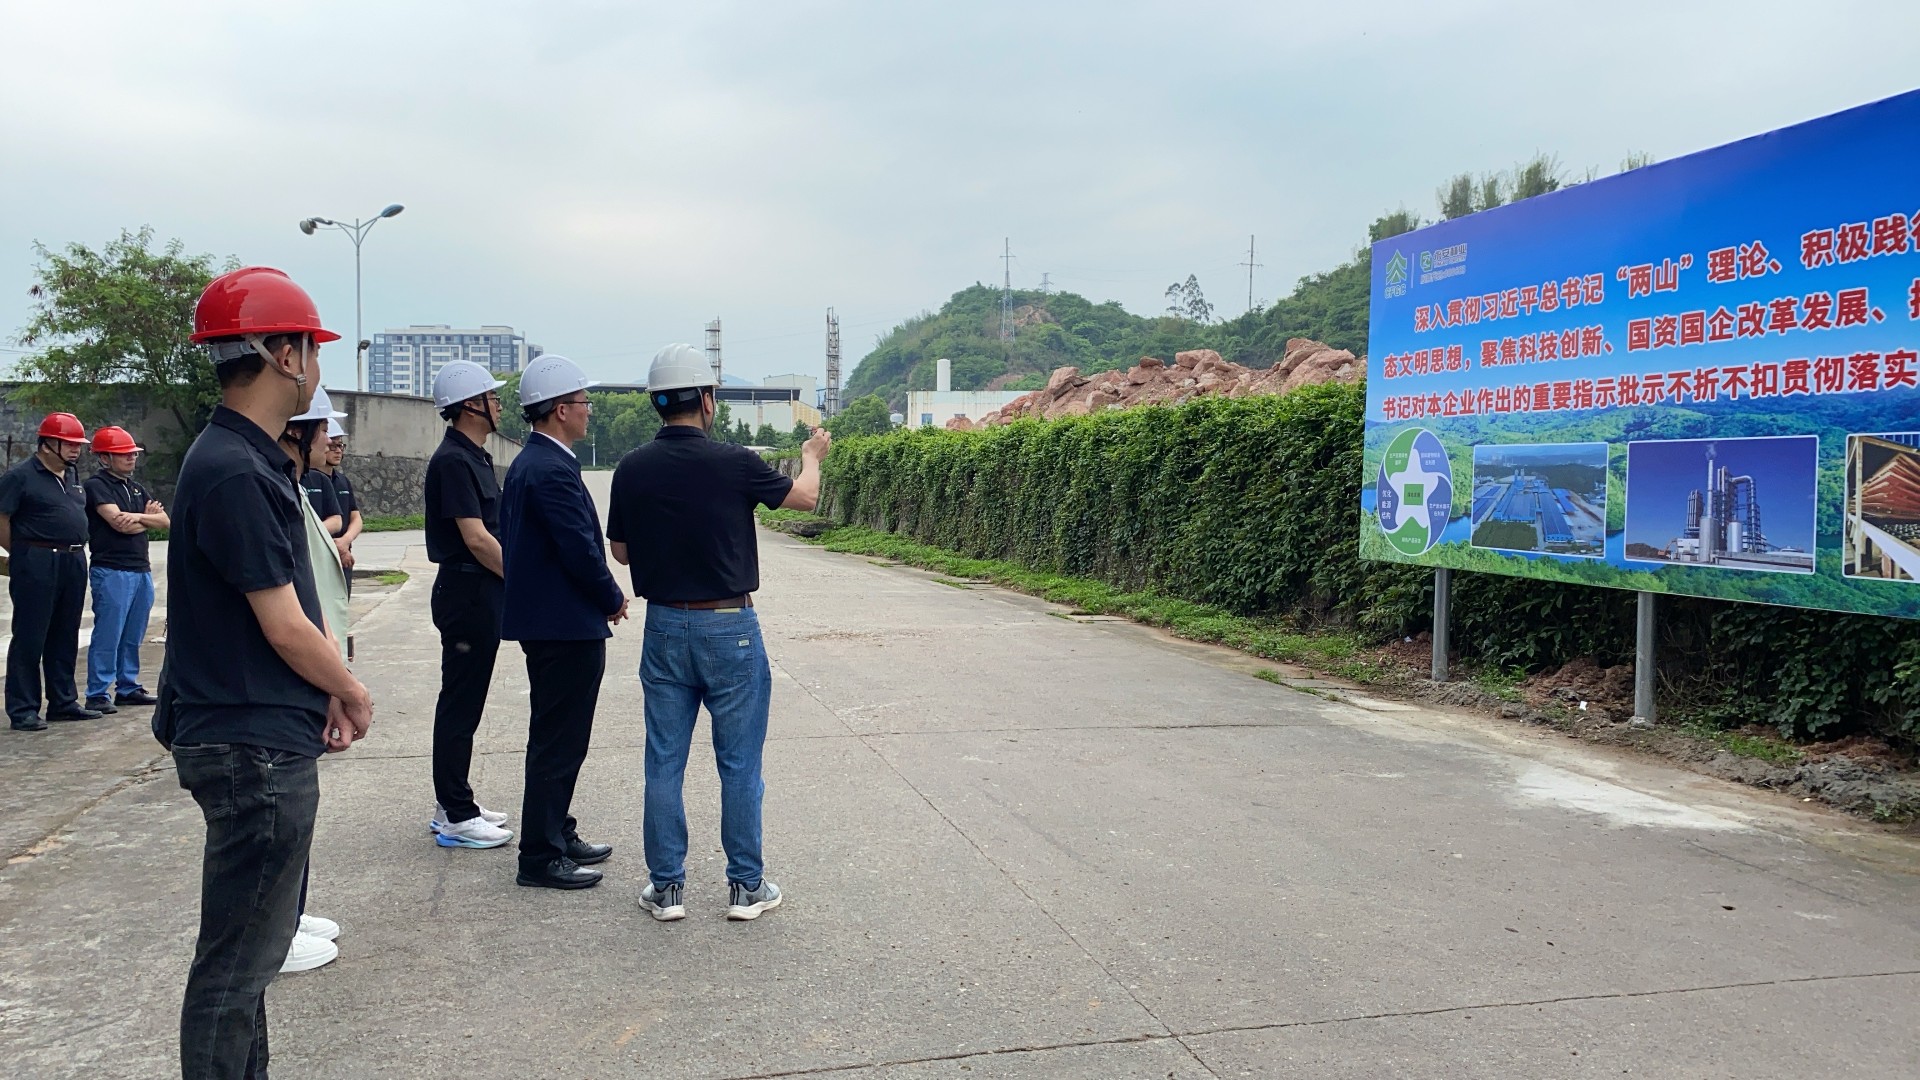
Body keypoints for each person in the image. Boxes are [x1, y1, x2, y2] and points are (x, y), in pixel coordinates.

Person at [167, 266, 373, 1078]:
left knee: (247, 962)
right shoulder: (237, 470)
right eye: (312, 351)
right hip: (249, 749)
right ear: (284, 355)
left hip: (252, 732)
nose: (316, 368)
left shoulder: (234, 458)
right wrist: (349, 689)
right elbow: (284, 624)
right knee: (235, 969)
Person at [606, 344, 831, 922]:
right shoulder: (734, 461)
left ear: (657, 403)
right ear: (707, 400)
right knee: (739, 763)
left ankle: (666, 888)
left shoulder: (631, 468)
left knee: (664, 761)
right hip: (730, 626)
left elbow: (622, 553)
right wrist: (811, 456)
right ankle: (746, 887)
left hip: (664, 625)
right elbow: (805, 497)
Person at [500, 354, 626, 890]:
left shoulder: (538, 462)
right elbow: (577, 547)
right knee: (559, 740)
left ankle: (556, 829)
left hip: (553, 621)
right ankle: (540, 854)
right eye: (582, 402)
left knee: (560, 737)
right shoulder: (549, 468)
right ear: (559, 410)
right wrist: (610, 595)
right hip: (563, 624)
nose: (588, 410)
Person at [277, 386, 353, 976]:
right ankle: (276, 930)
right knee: (276, 817)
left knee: (295, 813)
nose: (332, 439)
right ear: (297, 430)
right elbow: (286, 612)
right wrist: (343, 686)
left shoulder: (294, 486)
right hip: (283, 679)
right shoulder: (263, 485)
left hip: (309, 671)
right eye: (324, 428)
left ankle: (290, 914)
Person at [423, 359, 515, 850]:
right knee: (460, 703)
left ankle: (454, 801)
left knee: (467, 701)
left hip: (479, 592)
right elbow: (477, 538)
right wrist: (522, 580)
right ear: (470, 406)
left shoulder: (473, 456)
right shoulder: (454, 461)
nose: (498, 404)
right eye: (491, 397)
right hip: (467, 592)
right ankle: (456, 814)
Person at [1, 412, 99, 730]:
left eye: (78, 444)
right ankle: (23, 708)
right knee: (31, 634)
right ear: (46, 444)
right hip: (38, 559)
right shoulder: (20, 477)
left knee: (65, 632)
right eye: (68, 443)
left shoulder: (72, 477)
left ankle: (63, 701)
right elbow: (2, 519)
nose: (76, 449)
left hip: (73, 559)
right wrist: (21, 552)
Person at [82, 426, 166, 715]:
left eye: (132, 453)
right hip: (112, 568)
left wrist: (136, 517)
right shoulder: (97, 486)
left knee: (133, 632)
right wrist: (146, 519)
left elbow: (166, 521)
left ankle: (127, 686)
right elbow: (119, 524)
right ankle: (97, 692)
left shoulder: (136, 488)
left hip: (140, 568)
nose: (131, 457)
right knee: (109, 632)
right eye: (123, 454)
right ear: (104, 458)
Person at [323, 423, 362, 572]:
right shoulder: (306, 480)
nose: (338, 451)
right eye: (333, 446)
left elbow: (356, 518)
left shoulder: (342, 481)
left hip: (344, 556)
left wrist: (345, 541)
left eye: (340, 446)